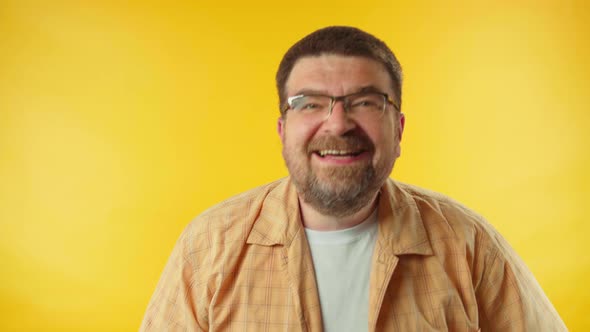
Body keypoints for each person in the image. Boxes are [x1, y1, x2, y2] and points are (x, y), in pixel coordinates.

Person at [140, 26, 567, 331]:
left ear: (398, 130)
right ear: (282, 130)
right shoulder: (207, 248)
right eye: (310, 104)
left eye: (364, 102)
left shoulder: (470, 245)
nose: (338, 124)